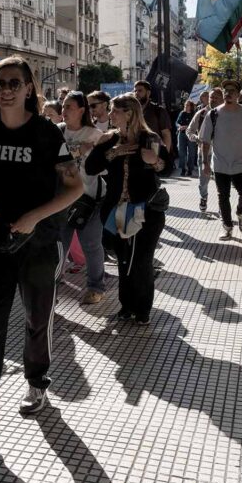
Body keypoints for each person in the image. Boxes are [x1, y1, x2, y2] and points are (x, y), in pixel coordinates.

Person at [0, 57, 82, 449]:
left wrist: (34, 218)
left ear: (29, 88)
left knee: (37, 319)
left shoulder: (45, 134)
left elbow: (73, 188)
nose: (6, 89)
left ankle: (37, 380)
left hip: (40, 242)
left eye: (14, 83)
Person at [85, 93, 169, 325]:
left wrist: (155, 161)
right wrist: (113, 153)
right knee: (123, 260)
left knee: (141, 260)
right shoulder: (108, 139)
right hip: (117, 210)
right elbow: (91, 167)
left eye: (114, 110)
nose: (109, 114)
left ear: (129, 113)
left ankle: (143, 309)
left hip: (147, 211)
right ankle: (126, 306)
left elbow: (167, 167)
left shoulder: (149, 138)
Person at [58, 91, 106, 304]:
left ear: (81, 110)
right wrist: (78, 150)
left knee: (91, 245)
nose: (64, 110)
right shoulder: (57, 132)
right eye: (63, 106)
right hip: (61, 200)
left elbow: (104, 168)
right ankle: (53, 281)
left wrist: (73, 152)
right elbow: (54, 161)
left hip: (90, 200)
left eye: (69, 106)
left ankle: (95, 287)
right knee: (59, 245)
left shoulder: (95, 135)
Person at [199, 80, 242, 240]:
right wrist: (205, 163)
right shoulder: (213, 114)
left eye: (232, 90)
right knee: (223, 196)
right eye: (226, 90)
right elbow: (205, 141)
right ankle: (227, 226)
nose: (228, 93)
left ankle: (241, 213)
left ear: (238, 94)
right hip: (220, 163)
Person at [188, 88, 222, 214]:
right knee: (203, 180)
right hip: (204, 152)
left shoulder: (226, 113)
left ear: (222, 99)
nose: (213, 100)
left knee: (221, 180)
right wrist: (196, 138)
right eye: (211, 97)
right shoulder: (201, 113)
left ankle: (221, 203)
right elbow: (190, 130)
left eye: (216, 97)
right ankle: (203, 197)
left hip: (221, 153)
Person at [133, 80, 173, 153]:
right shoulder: (132, 111)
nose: (136, 93)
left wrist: (164, 156)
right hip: (137, 154)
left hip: (155, 152)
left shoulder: (159, 110)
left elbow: (166, 135)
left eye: (140, 91)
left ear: (148, 93)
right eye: (135, 91)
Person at [176, 100, 198, 176]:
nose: (186, 106)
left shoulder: (194, 114)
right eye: (185, 105)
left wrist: (186, 127)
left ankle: (190, 169)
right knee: (181, 152)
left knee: (191, 152)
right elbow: (177, 122)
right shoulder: (182, 113)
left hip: (191, 134)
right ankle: (183, 169)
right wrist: (179, 126)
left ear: (191, 106)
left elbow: (196, 124)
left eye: (188, 105)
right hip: (181, 134)